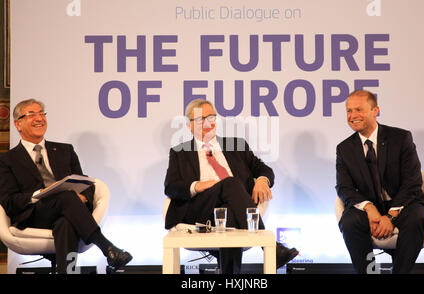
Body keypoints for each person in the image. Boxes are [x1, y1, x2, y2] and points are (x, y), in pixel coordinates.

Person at [164, 99, 298, 274]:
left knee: (229, 211)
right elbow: (171, 187)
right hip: (199, 208)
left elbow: (263, 169)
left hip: (233, 209)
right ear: (189, 126)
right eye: (200, 119)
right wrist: (197, 185)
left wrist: (262, 180)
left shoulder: (236, 145)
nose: (207, 123)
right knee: (231, 182)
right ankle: (271, 248)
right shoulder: (179, 151)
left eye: (211, 117)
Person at [0, 99, 132, 274]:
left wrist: (83, 197)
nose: (39, 118)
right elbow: (9, 201)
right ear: (18, 124)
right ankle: (107, 246)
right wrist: (40, 194)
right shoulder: (7, 160)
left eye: (42, 113)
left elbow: (86, 183)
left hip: (69, 211)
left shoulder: (64, 151)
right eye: (32, 114)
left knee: (66, 222)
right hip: (34, 214)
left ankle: (68, 272)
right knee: (66, 197)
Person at [335, 90, 424, 274]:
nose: (352, 116)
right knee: (349, 222)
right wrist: (370, 209)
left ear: (375, 110)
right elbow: (344, 187)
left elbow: (412, 182)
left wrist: (391, 216)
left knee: (416, 217)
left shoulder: (400, 138)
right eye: (348, 111)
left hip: (405, 203)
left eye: (359, 110)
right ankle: (369, 272)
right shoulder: (344, 148)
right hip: (372, 207)